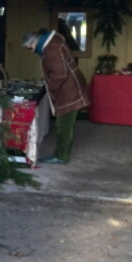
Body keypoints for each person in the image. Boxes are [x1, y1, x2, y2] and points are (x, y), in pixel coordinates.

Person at [21, 30, 90, 164]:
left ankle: (61, 156)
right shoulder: (53, 42)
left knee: (64, 125)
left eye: (29, 48)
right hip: (71, 87)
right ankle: (63, 153)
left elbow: (60, 74)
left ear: (34, 42)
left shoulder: (51, 49)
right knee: (66, 124)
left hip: (69, 90)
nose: (30, 51)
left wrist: (50, 88)